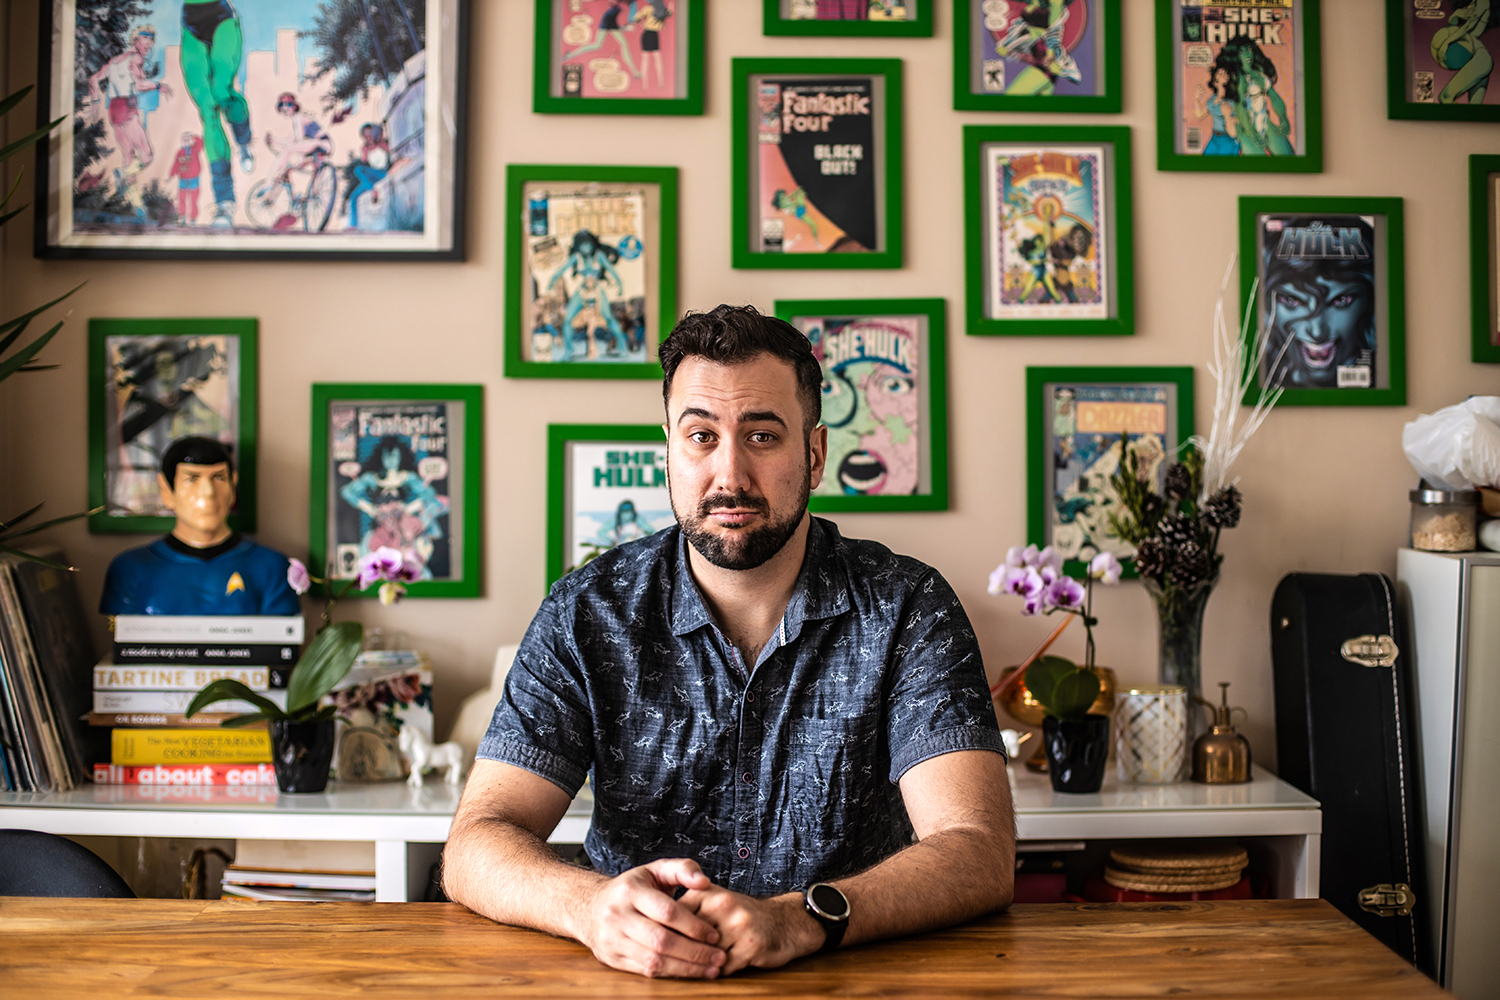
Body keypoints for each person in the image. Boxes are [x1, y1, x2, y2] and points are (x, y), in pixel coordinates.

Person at [444, 304, 1014, 979]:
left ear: (815, 452)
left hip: (854, 980)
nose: (731, 474)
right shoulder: (585, 614)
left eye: (763, 436)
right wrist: (589, 907)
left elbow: (978, 850)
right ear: (668, 451)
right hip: (634, 980)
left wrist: (804, 918)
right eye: (701, 436)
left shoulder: (908, 608)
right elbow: (475, 844)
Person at [100, 437, 300, 616]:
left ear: (233, 485)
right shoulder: (130, 569)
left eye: (219, 477)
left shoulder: (272, 568)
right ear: (167, 489)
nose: (208, 492)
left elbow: (279, 646)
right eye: (192, 479)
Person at [178, 0, 255, 227]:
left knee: (222, 90)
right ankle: (225, 202)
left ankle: (243, 140)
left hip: (222, 18)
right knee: (208, 109)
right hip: (191, 23)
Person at [87, 26, 173, 184]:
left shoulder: (114, 61)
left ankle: (127, 195)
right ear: (136, 39)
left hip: (114, 109)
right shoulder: (136, 58)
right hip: (127, 107)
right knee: (147, 156)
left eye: (151, 41)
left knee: (128, 153)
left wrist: (94, 102)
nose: (149, 44)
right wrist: (159, 86)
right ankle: (124, 173)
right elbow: (140, 86)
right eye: (146, 39)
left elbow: (93, 79)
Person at [265, 93, 333, 187]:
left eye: (288, 104)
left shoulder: (298, 118)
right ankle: (311, 195)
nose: (285, 108)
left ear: (294, 106)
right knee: (315, 178)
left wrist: (301, 159)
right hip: (321, 146)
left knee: (288, 150)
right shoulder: (297, 122)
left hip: (321, 144)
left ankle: (272, 178)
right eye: (282, 105)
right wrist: (274, 141)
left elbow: (299, 141)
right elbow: (291, 142)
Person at [345, 123, 391, 229]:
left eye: (369, 131)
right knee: (353, 197)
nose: (368, 134)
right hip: (372, 177)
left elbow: (390, 154)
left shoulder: (382, 144)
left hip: (382, 172)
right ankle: (352, 225)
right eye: (365, 133)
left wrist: (378, 141)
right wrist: (367, 148)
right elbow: (364, 162)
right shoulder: (365, 148)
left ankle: (373, 191)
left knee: (358, 170)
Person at [168, 132, 205, 224]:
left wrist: (194, 137)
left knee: (193, 201)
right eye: (184, 138)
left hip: (194, 180)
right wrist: (171, 175)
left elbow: (201, 143)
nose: (186, 140)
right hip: (183, 181)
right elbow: (175, 165)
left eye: (188, 138)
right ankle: (183, 217)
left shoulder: (195, 149)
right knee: (181, 200)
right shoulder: (179, 152)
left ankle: (193, 219)